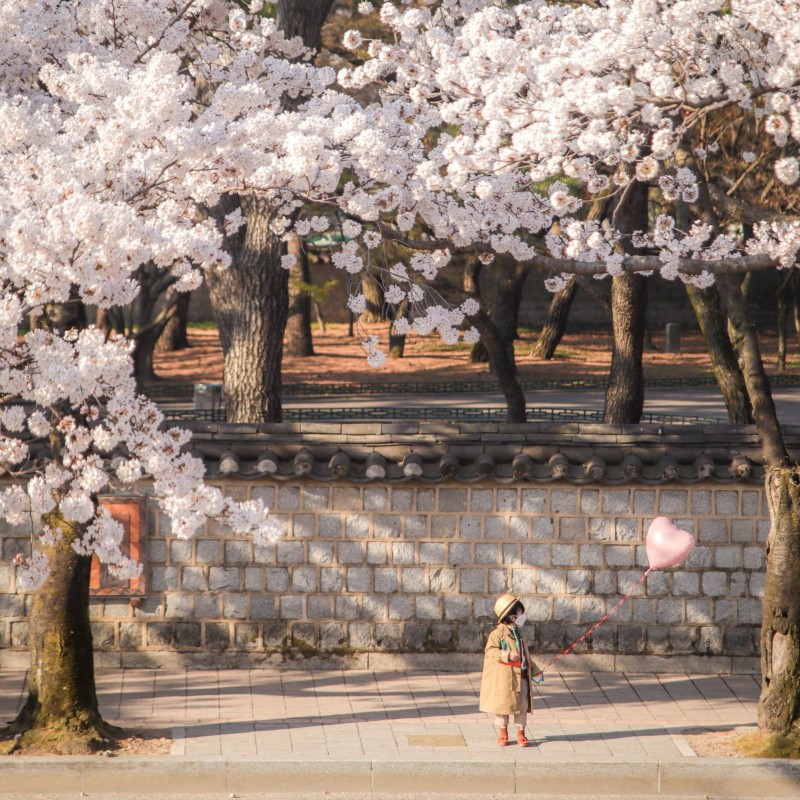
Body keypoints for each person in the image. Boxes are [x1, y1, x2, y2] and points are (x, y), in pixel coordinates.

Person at [479, 593, 537, 747]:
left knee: (522, 705)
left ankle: (521, 732)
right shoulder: (497, 634)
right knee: (503, 706)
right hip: (506, 677)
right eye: (520, 613)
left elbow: (526, 654)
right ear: (511, 616)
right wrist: (507, 655)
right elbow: (490, 652)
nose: (522, 616)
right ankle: (503, 731)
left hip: (522, 675)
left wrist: (534, 668)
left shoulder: (520, 633)